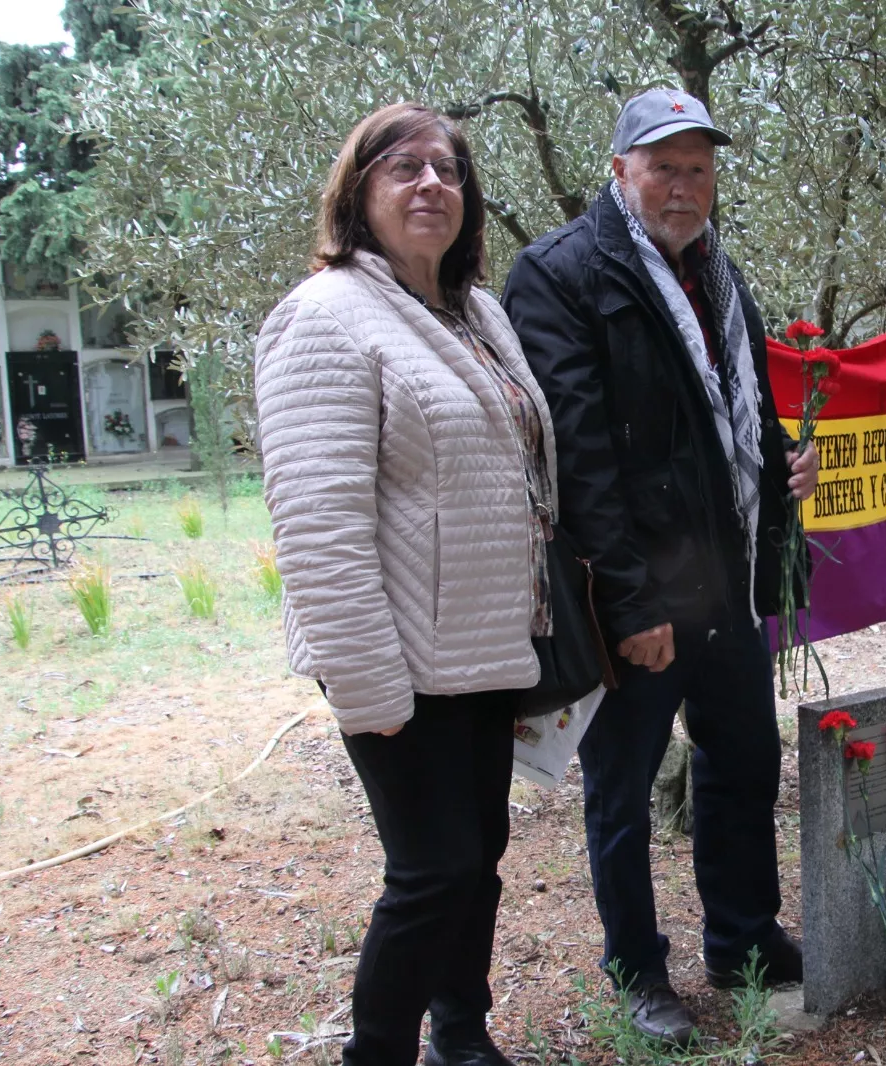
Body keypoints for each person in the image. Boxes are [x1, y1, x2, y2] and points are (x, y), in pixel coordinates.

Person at [502, 88, 818, 1044]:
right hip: (634, 599)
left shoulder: (716, 270)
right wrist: (631, 605)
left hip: (725, 583)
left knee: (745, 764)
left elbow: (738, 410)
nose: (685, 187)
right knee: (622, 793)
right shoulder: (558, 274)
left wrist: (782, 467)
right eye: (664, 167)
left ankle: (743, 938)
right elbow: (580, 458)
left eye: (699, 169)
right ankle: (638, 971)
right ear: (619, 170)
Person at [255, 102, 555, 1066]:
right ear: (358, 192)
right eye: (404, 167)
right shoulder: (325, 317)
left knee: (479, 861)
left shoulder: (479, 314)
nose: (432, 183)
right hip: (396, 657)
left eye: (448, 169)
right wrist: (368, 686)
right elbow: (318, 527)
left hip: (484, 645)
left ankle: (460, 1038)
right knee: (434, 873)